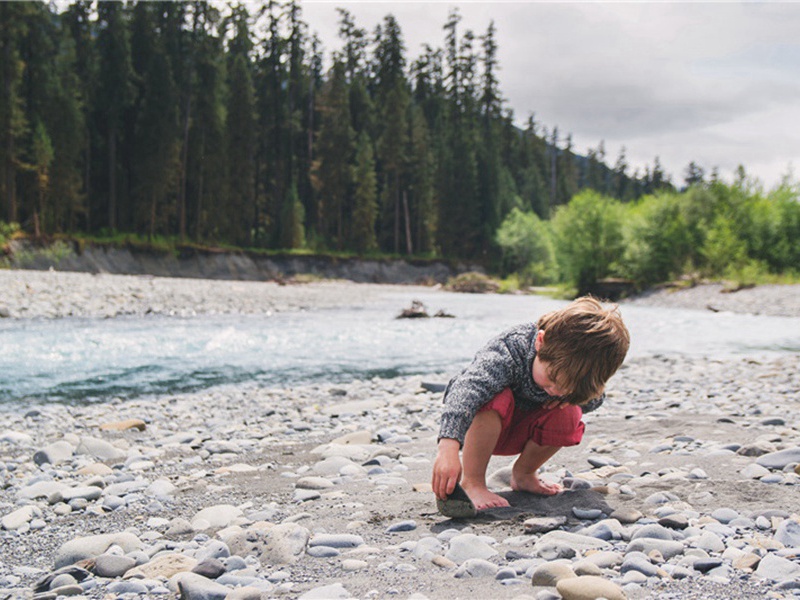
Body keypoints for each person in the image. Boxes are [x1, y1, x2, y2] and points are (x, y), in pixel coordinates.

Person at [431, 296, 630, 511]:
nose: (556, 390)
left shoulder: (572, 381)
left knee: (571, 411)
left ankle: (524, 474)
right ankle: (473, 482)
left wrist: (573, 398)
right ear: (540, 342)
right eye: (553, 379)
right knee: (495, 396)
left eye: (568, 387)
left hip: (527, 435)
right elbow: (466, 389)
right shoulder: (511, 348)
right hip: (482, 430)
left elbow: (596, 398)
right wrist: (448, 446)